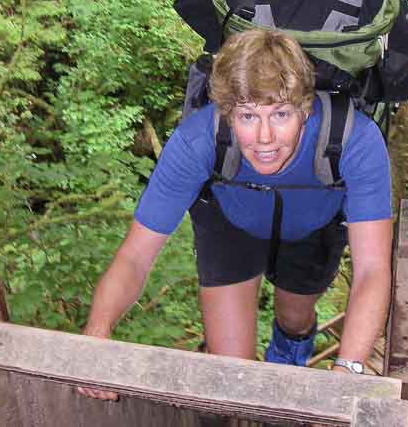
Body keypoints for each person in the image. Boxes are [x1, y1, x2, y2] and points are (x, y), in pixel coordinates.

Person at [77, 29, 392, 401]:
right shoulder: (198, 141)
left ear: (305, 109)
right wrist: (96, 333)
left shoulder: (354, 139)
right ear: (227, 112)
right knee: (232, 375)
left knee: (294, 318)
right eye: (247, 115)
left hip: (315, 224)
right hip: (230, 221)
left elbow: (372, 269)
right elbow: (135, 255)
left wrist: (349, 369)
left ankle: (288, 354)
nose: (264, 137)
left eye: (280, 114)